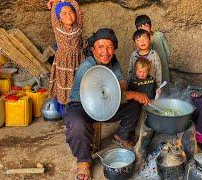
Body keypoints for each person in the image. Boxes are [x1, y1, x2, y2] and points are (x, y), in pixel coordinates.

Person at [64, 28, 150, 180]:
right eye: (101, 47)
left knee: (133, 105)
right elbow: (99, 96)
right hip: (81, 105)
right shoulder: (87, 66)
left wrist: (122, 88)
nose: (106, 51)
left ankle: (121, 135)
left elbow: (121, 82)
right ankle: (83, 161)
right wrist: (132, 94)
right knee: (77, 124)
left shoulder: (113, 62)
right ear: (93, 49)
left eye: (110, 47)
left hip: (106, 104)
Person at [47, 0, 84, 105]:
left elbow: (77, 8)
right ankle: (65, 107)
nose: (68, 15)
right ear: (59, 18)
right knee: (64, 84)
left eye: (71, 12)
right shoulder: (57, 27)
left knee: (78, 82)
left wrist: (68, 0)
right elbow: (54, 11)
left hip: (77, 60)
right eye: (64, 13)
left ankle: (77, 105)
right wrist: (55, 2)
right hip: (63, 61)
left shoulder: (79, 27)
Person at [135, 14, 171, 82]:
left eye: (146, 26)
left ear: (150, 26)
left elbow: (168, 51)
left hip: (163, 67)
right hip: (149, 71)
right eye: (140, 28)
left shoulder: (159, 35)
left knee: (164, 86)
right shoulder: (140, 41)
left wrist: (166, 63)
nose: (144, 29)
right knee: (152, 87)